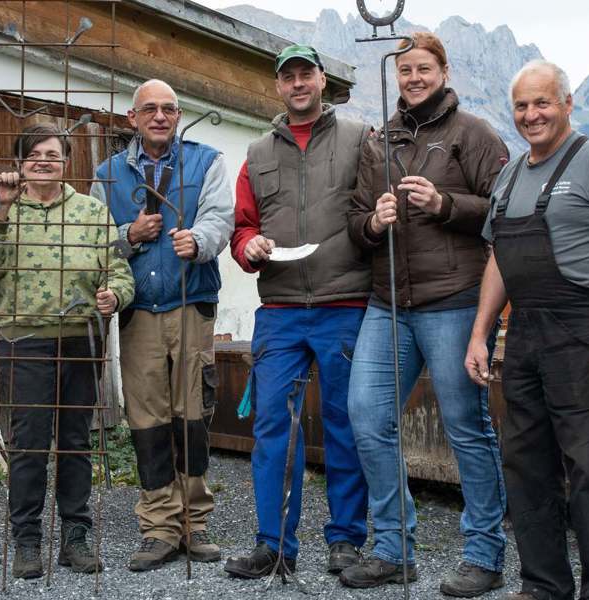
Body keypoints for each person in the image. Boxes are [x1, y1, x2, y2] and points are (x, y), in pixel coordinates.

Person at [464, 59, 589, 600]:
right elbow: (498, 260)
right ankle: (542, 585)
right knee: (525, 463)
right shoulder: (511, 173)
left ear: (567, 104)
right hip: (524, 337)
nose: (531, 114)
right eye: (521, 105)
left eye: (542, 102)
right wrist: (480, 332)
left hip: (582, 331)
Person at [341, 32, 511, 597]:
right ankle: (393, 548)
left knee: (465, 427)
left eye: (423, 68)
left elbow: (505, 211)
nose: (413, 77)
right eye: (405, 69)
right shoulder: (378, 141)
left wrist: (445, 206)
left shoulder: (472, 133)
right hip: (388, 304)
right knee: (367, 418)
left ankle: (484, 553)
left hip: (455, 300)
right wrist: (375, 222)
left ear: (443, 70)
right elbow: (356, 221)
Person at [222, 44, 372, 579]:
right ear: (278, 86)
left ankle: (346, 540)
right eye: (288, 77)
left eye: (306, 73)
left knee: (344, 423)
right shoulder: (258, 154)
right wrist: (249, 248)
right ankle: (274, 544)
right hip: (280, 309)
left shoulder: (359, 138)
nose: (298, 83)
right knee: (272, 427)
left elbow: (374, 212)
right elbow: (241, 228)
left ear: (322, 79)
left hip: (345, 302)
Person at [0, 122, 134, 579]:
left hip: (80, 340)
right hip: (24, 342)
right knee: (29, 445)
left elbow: (120, 271)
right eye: (34, 153)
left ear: (66, 163)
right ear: (20, 163)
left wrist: (112, 295)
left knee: (76, 443)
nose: (44, 160)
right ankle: (26, 540)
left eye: (54, 154)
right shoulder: (3, 211)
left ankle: (76, 538)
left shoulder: (93, 212)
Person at [92, 79, 234, 572]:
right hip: (138, 310)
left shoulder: (206, 160)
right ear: (132, 118)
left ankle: (195, 521)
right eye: (148, 109)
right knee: (148, 419)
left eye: (168, 109)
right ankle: (158, 525)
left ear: (178, 115)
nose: (158, 116)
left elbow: (222, 217)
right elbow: (94, 240)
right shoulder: (108, 173)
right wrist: (128, 235)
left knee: (191, 413)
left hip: (191, 301)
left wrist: (198, 240)